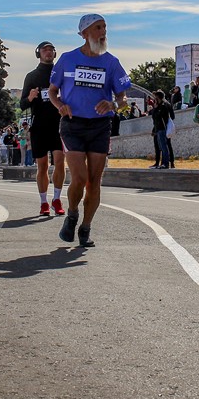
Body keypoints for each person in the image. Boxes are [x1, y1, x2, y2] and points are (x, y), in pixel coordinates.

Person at [49, 13, 131, 248]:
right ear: (84, 33)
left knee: (94, 182)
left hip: (99, 126)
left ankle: (86, 228)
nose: (103, 31)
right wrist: (59, 106)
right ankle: (72, 213)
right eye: (97, 27)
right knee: (80, 178)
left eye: (104, 27)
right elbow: (53, 91)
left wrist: (115, 104)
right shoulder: (67, 59)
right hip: (73, 125)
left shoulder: (112, 62)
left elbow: (123, 96)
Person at [21, 40, 66, 216]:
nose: (48, 52)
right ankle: (43, 202)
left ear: (54, 54)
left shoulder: (61, 73)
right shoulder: (31, 76)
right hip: (39, 126)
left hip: (59, 125)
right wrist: (31, 97)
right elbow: (22, 103)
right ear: (38, 53)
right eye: (44, 50)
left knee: (60, 162)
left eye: (51, 50)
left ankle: (56, 199)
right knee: (42, 166)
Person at [150, 90, 174, 169]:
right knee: (162, 146)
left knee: (164, 146)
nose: (154, 100)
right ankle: (162, 163)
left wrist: (156, 109)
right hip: (159, 128)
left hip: (162, 128)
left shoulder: (163, 106)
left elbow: (158, 116)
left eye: (155, 98)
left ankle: (166, 163)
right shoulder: (160, 106)